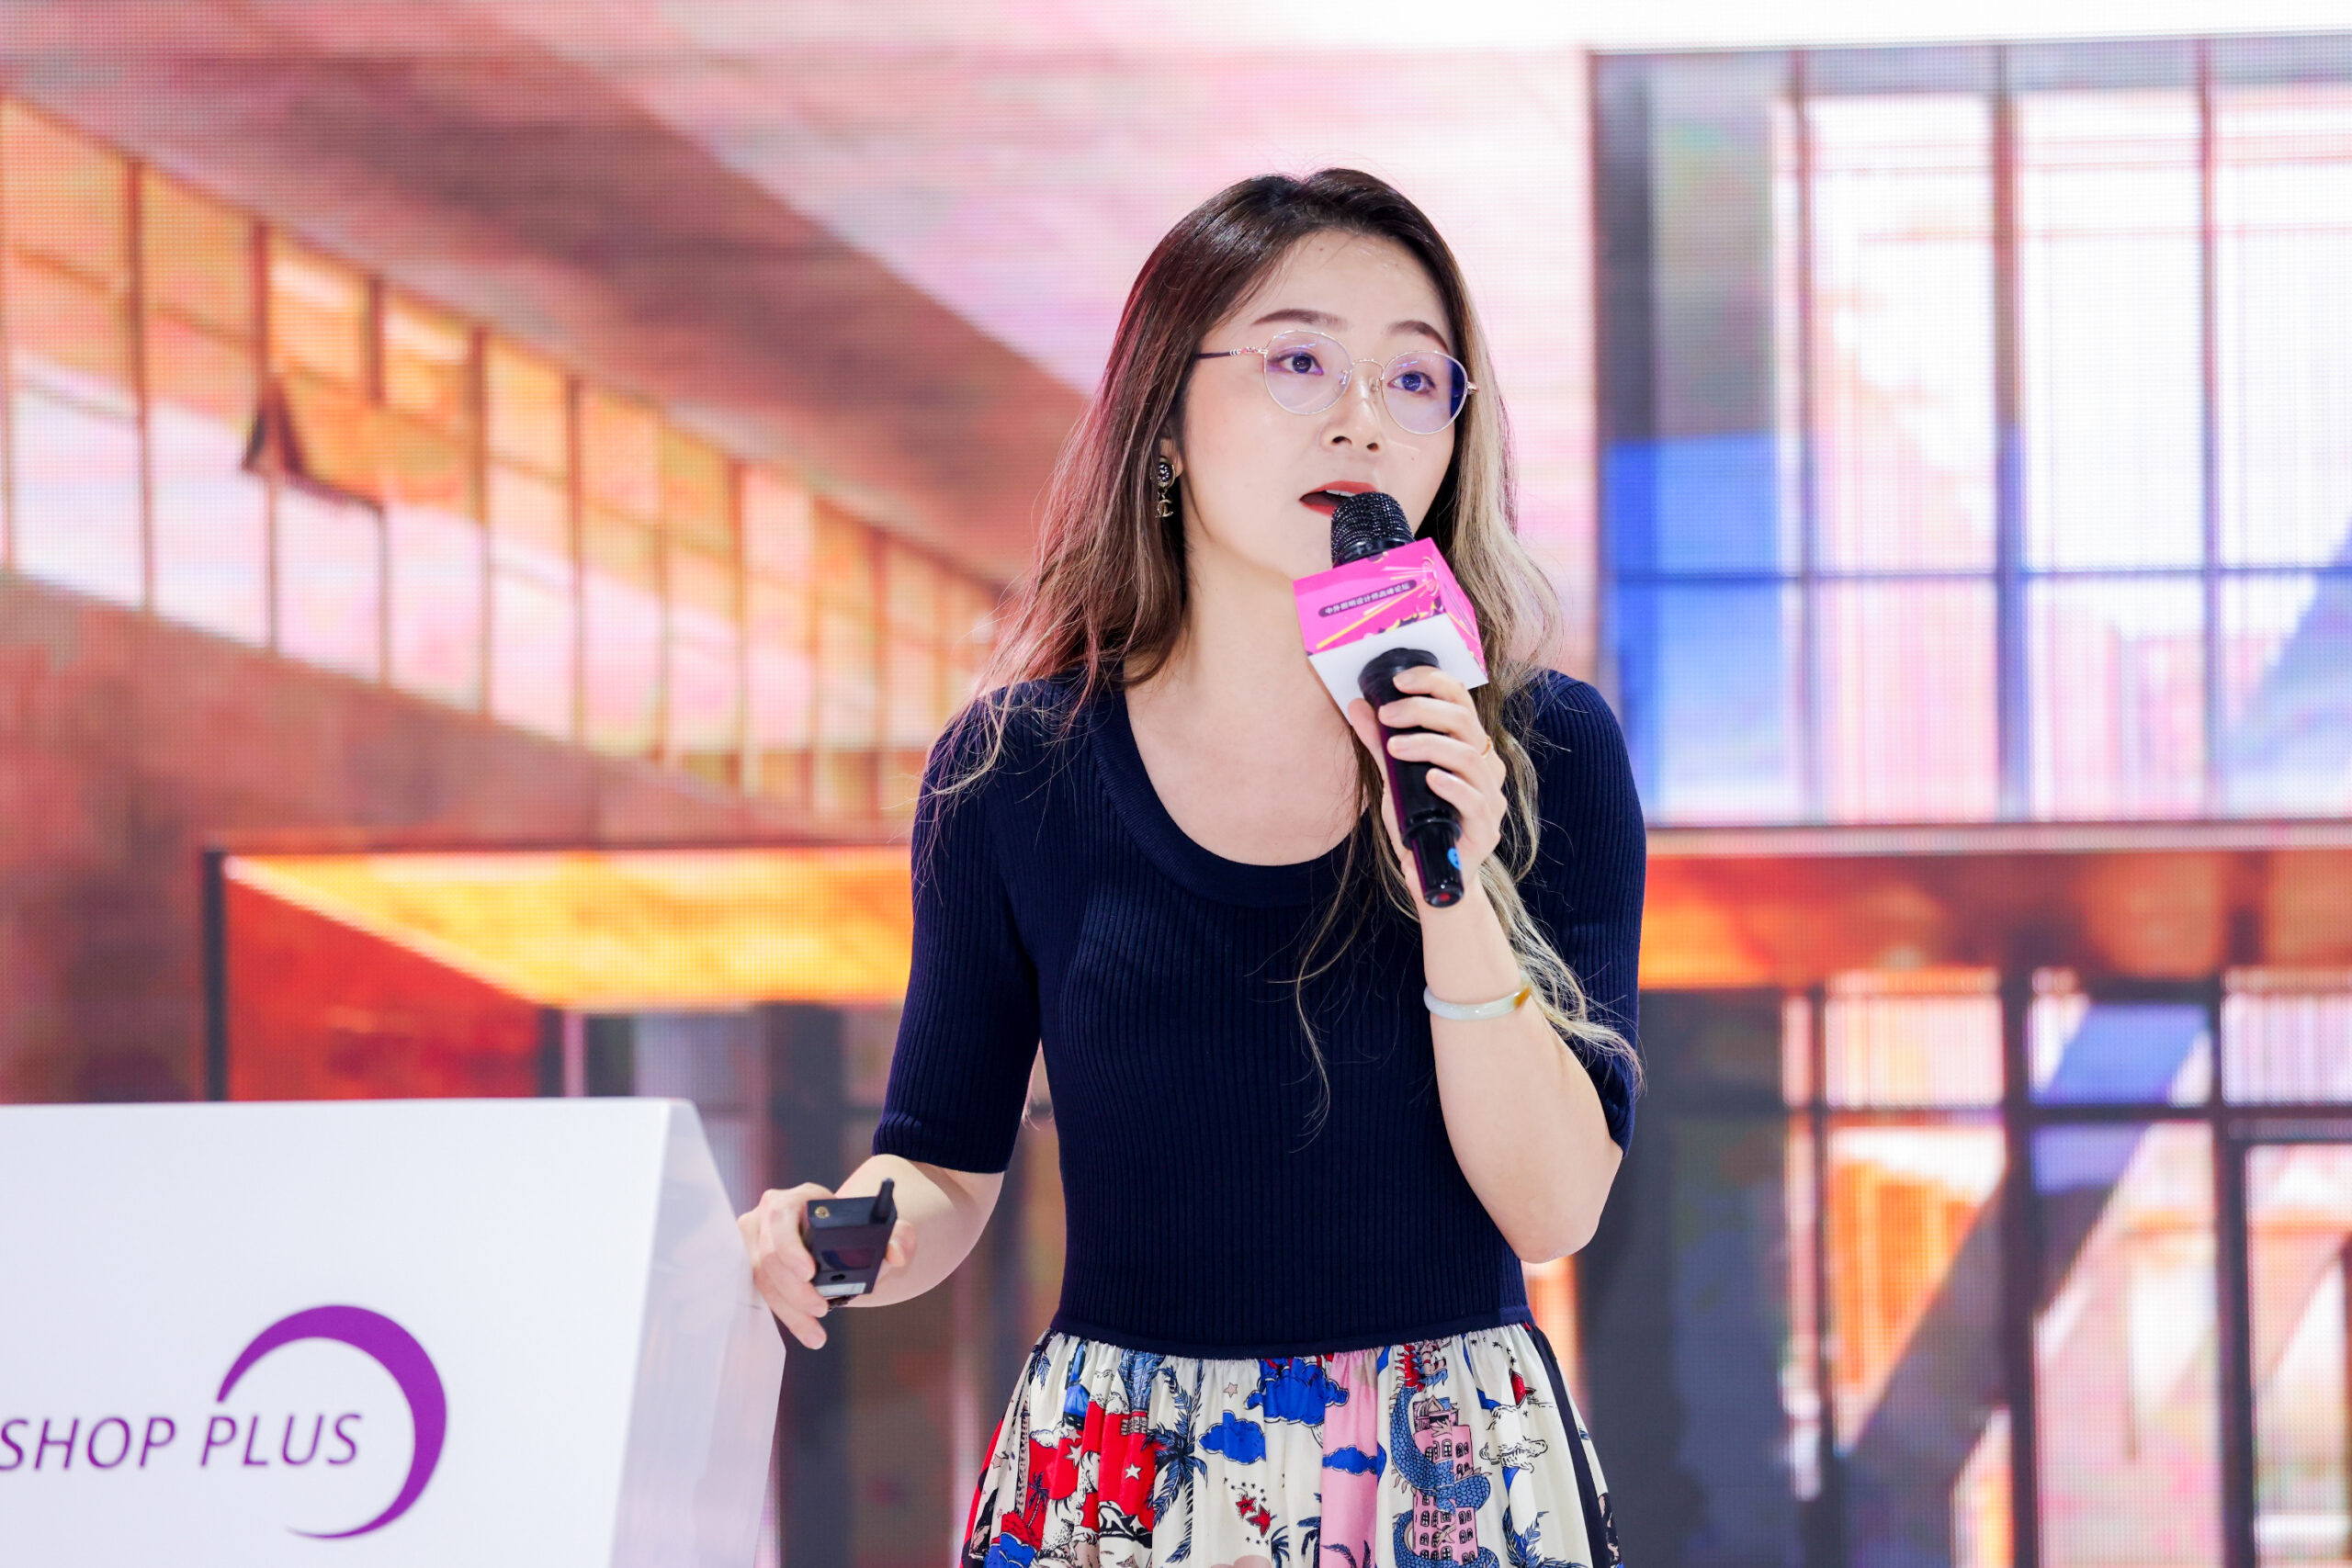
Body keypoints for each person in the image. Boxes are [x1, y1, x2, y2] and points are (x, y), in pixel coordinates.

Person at [741, 168, 1644, 1568]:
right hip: (1120, 1472)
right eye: (1298, 361)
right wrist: (840, 1238)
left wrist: (1450, 880)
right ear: (1163, 421)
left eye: (1415, 380)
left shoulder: (1543, 749)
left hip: (1445, 1474)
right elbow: (945, 1170)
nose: (1360, 417)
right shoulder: (1014, 772)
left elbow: (1555, 1206)